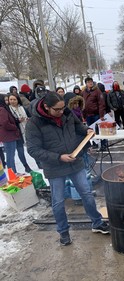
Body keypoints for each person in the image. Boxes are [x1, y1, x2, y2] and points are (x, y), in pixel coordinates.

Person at [25, 92, 109, 246]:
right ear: (46, 107)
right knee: (58, 201)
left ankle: (97, 223)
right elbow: (33, 149)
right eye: (57, 110)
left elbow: (78, 126)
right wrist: (58, 157)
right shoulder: (34, 123)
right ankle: (63, 232)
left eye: (63, 108)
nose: (61, 112)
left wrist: (86, 131)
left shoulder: (67, 113)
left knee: (87, 194)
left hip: (75, 162)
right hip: (55, 167)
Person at [0, 94, 32, 173]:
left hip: (17, 133)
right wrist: (15, 126)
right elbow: (5, 123)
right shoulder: (4, 109)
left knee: (14, 153)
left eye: (13, 99)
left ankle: (14, 172)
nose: (10, 101)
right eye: (8, 100)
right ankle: (13, 173)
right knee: (10, 155)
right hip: (11, 134)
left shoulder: (21, 108)